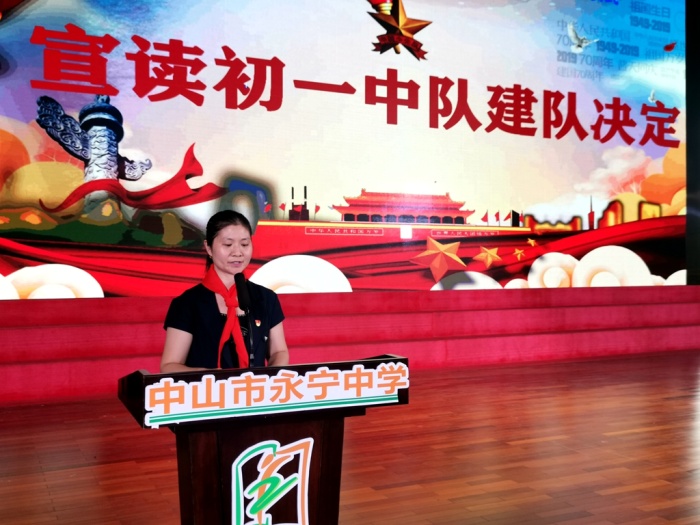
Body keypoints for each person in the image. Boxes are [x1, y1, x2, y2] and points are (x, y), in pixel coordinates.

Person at [160, 210, 289, 373]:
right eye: (228, 245)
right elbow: (169, 366)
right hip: (207, 388)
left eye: (244, 244)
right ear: (208, 248)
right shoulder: (187, 304)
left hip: (256, 388)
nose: (237, 252)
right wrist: (215, 379)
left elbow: (279, 352)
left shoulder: (266, 298)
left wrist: (272, 377)